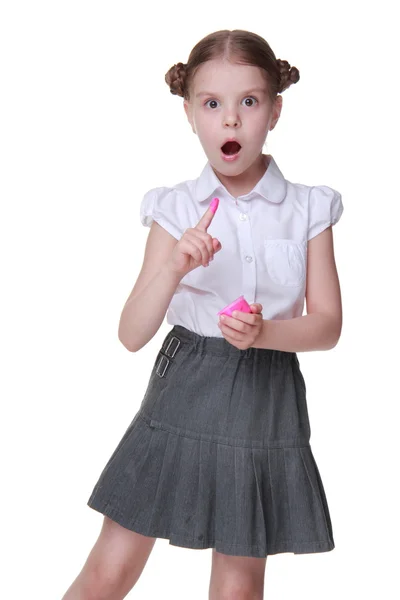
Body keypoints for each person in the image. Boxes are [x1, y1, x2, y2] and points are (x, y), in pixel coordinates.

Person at [62, 29, 343, 600]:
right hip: (184, 387)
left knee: (238, 584)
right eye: (212, 104)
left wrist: (266, 333)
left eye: (249, 101)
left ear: (275, 110)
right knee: (111, 567)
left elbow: (329, 325)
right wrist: (173, 268)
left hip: (265, 399)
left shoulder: (309, 207)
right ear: (190, 114)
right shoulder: (174, 207)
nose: (231, 121)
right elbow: (130, 333)